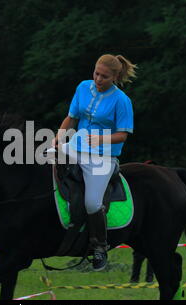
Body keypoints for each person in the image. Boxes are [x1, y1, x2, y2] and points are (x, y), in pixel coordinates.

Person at [52, 54, 137, 271]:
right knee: (40, 163)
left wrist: (101, 139)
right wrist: (59, 137)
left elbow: (123, 135)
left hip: (103, 157)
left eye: (104, 76)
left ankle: (99, 246)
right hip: (74, 147)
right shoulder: (83, 87)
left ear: (115, 76)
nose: (98, 79)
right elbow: (71, 118)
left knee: (92, 203)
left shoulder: (122, 101)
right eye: (96, 73)